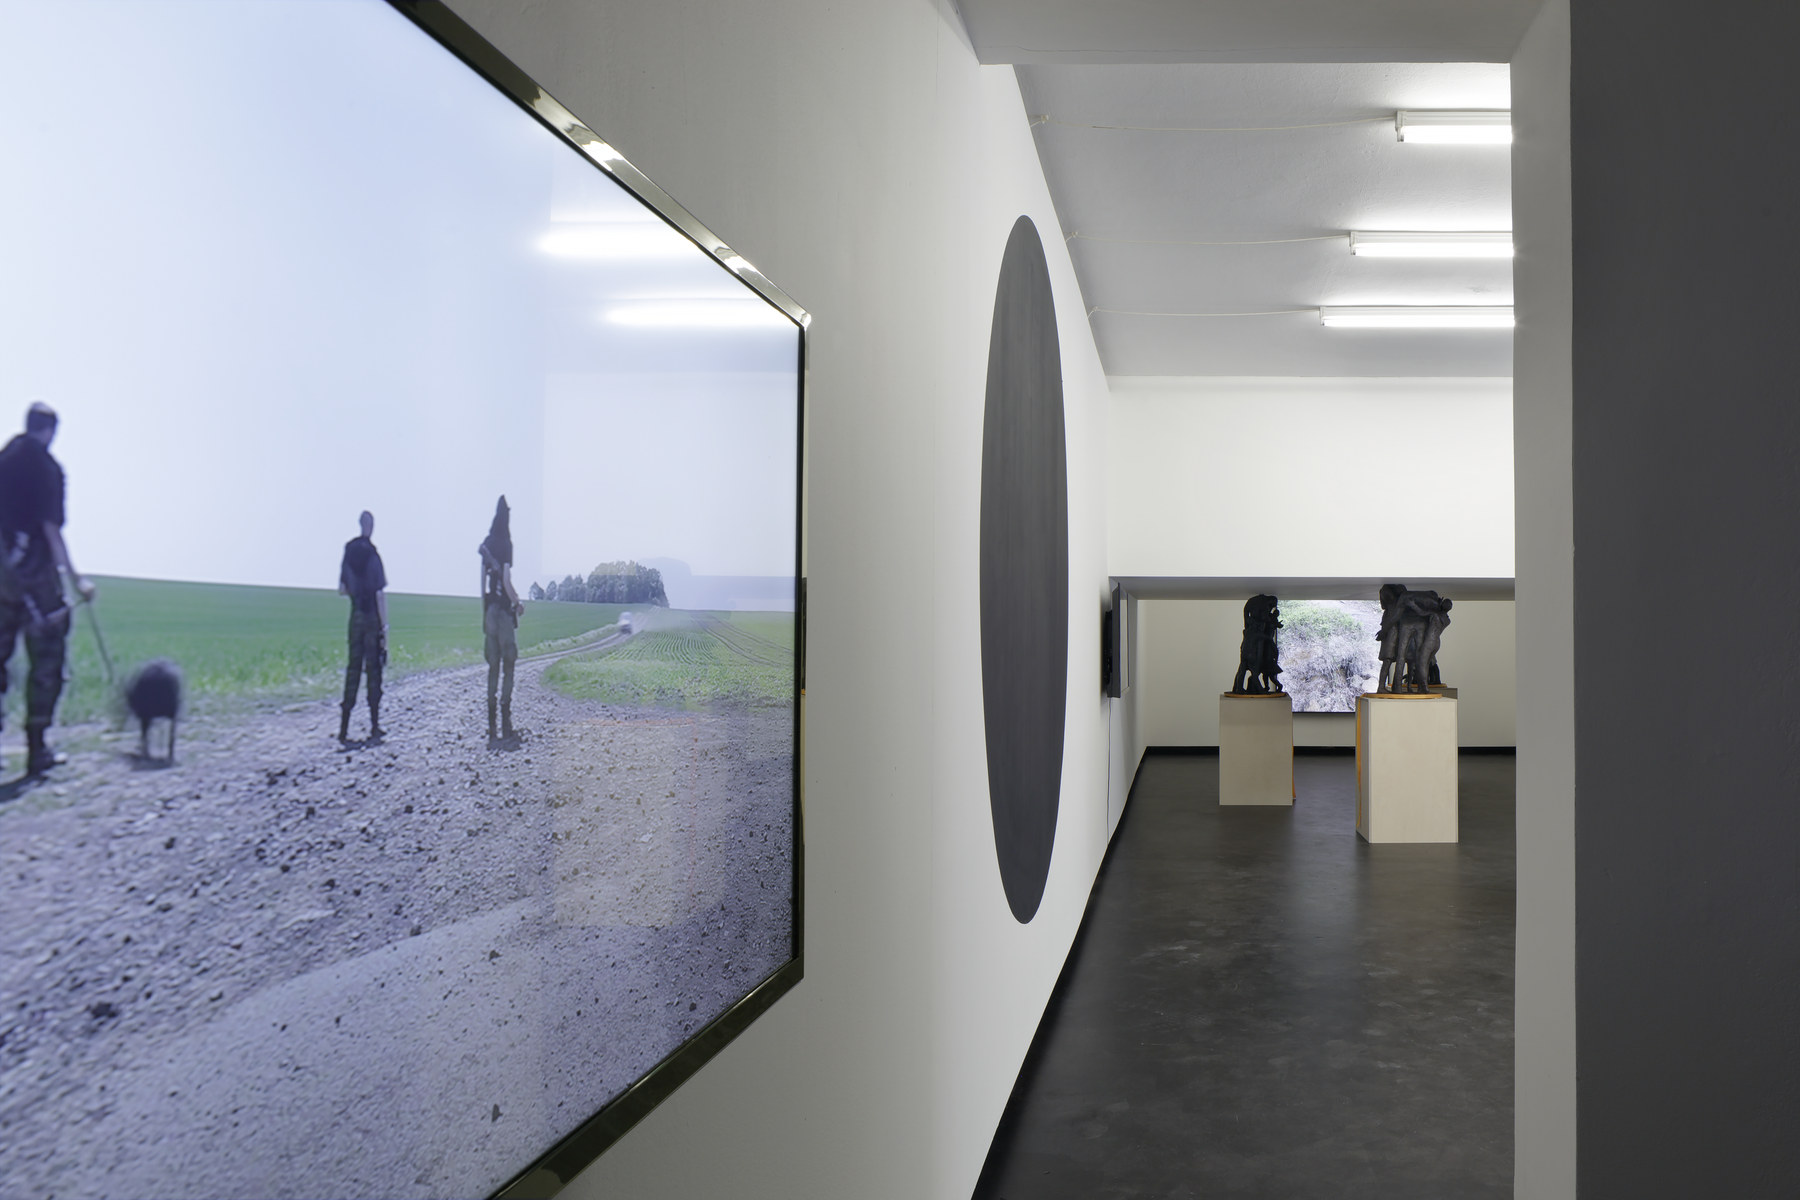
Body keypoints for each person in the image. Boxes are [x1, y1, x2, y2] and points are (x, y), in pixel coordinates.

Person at [0, 402, 95, 776]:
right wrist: (77, 579)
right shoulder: (47, 469)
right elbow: (51, 530)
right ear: (51, 430)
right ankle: (37, 749)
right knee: (47, 660)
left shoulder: (4, 458)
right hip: (35, 578)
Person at [337, 510, 387, 742]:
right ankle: (374, 726)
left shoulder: (349, 550)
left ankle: (344, 728)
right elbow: (379, 594)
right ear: (371, 526)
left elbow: (342, 589)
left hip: (355, 616)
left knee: (353, 670)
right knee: (374, 672)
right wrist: (383, 627)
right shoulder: (373, 553)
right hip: (371, 618)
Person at [479, 495, 523, 742]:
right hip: (504, 615)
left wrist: (485, 610)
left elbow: (482, 582)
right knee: (509, 664)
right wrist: (517, 602)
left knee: (493, 665)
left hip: (489, 613)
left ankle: (491, 724)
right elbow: (506, 580)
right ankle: (506, 722)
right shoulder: (506, 543)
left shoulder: (487, 543)